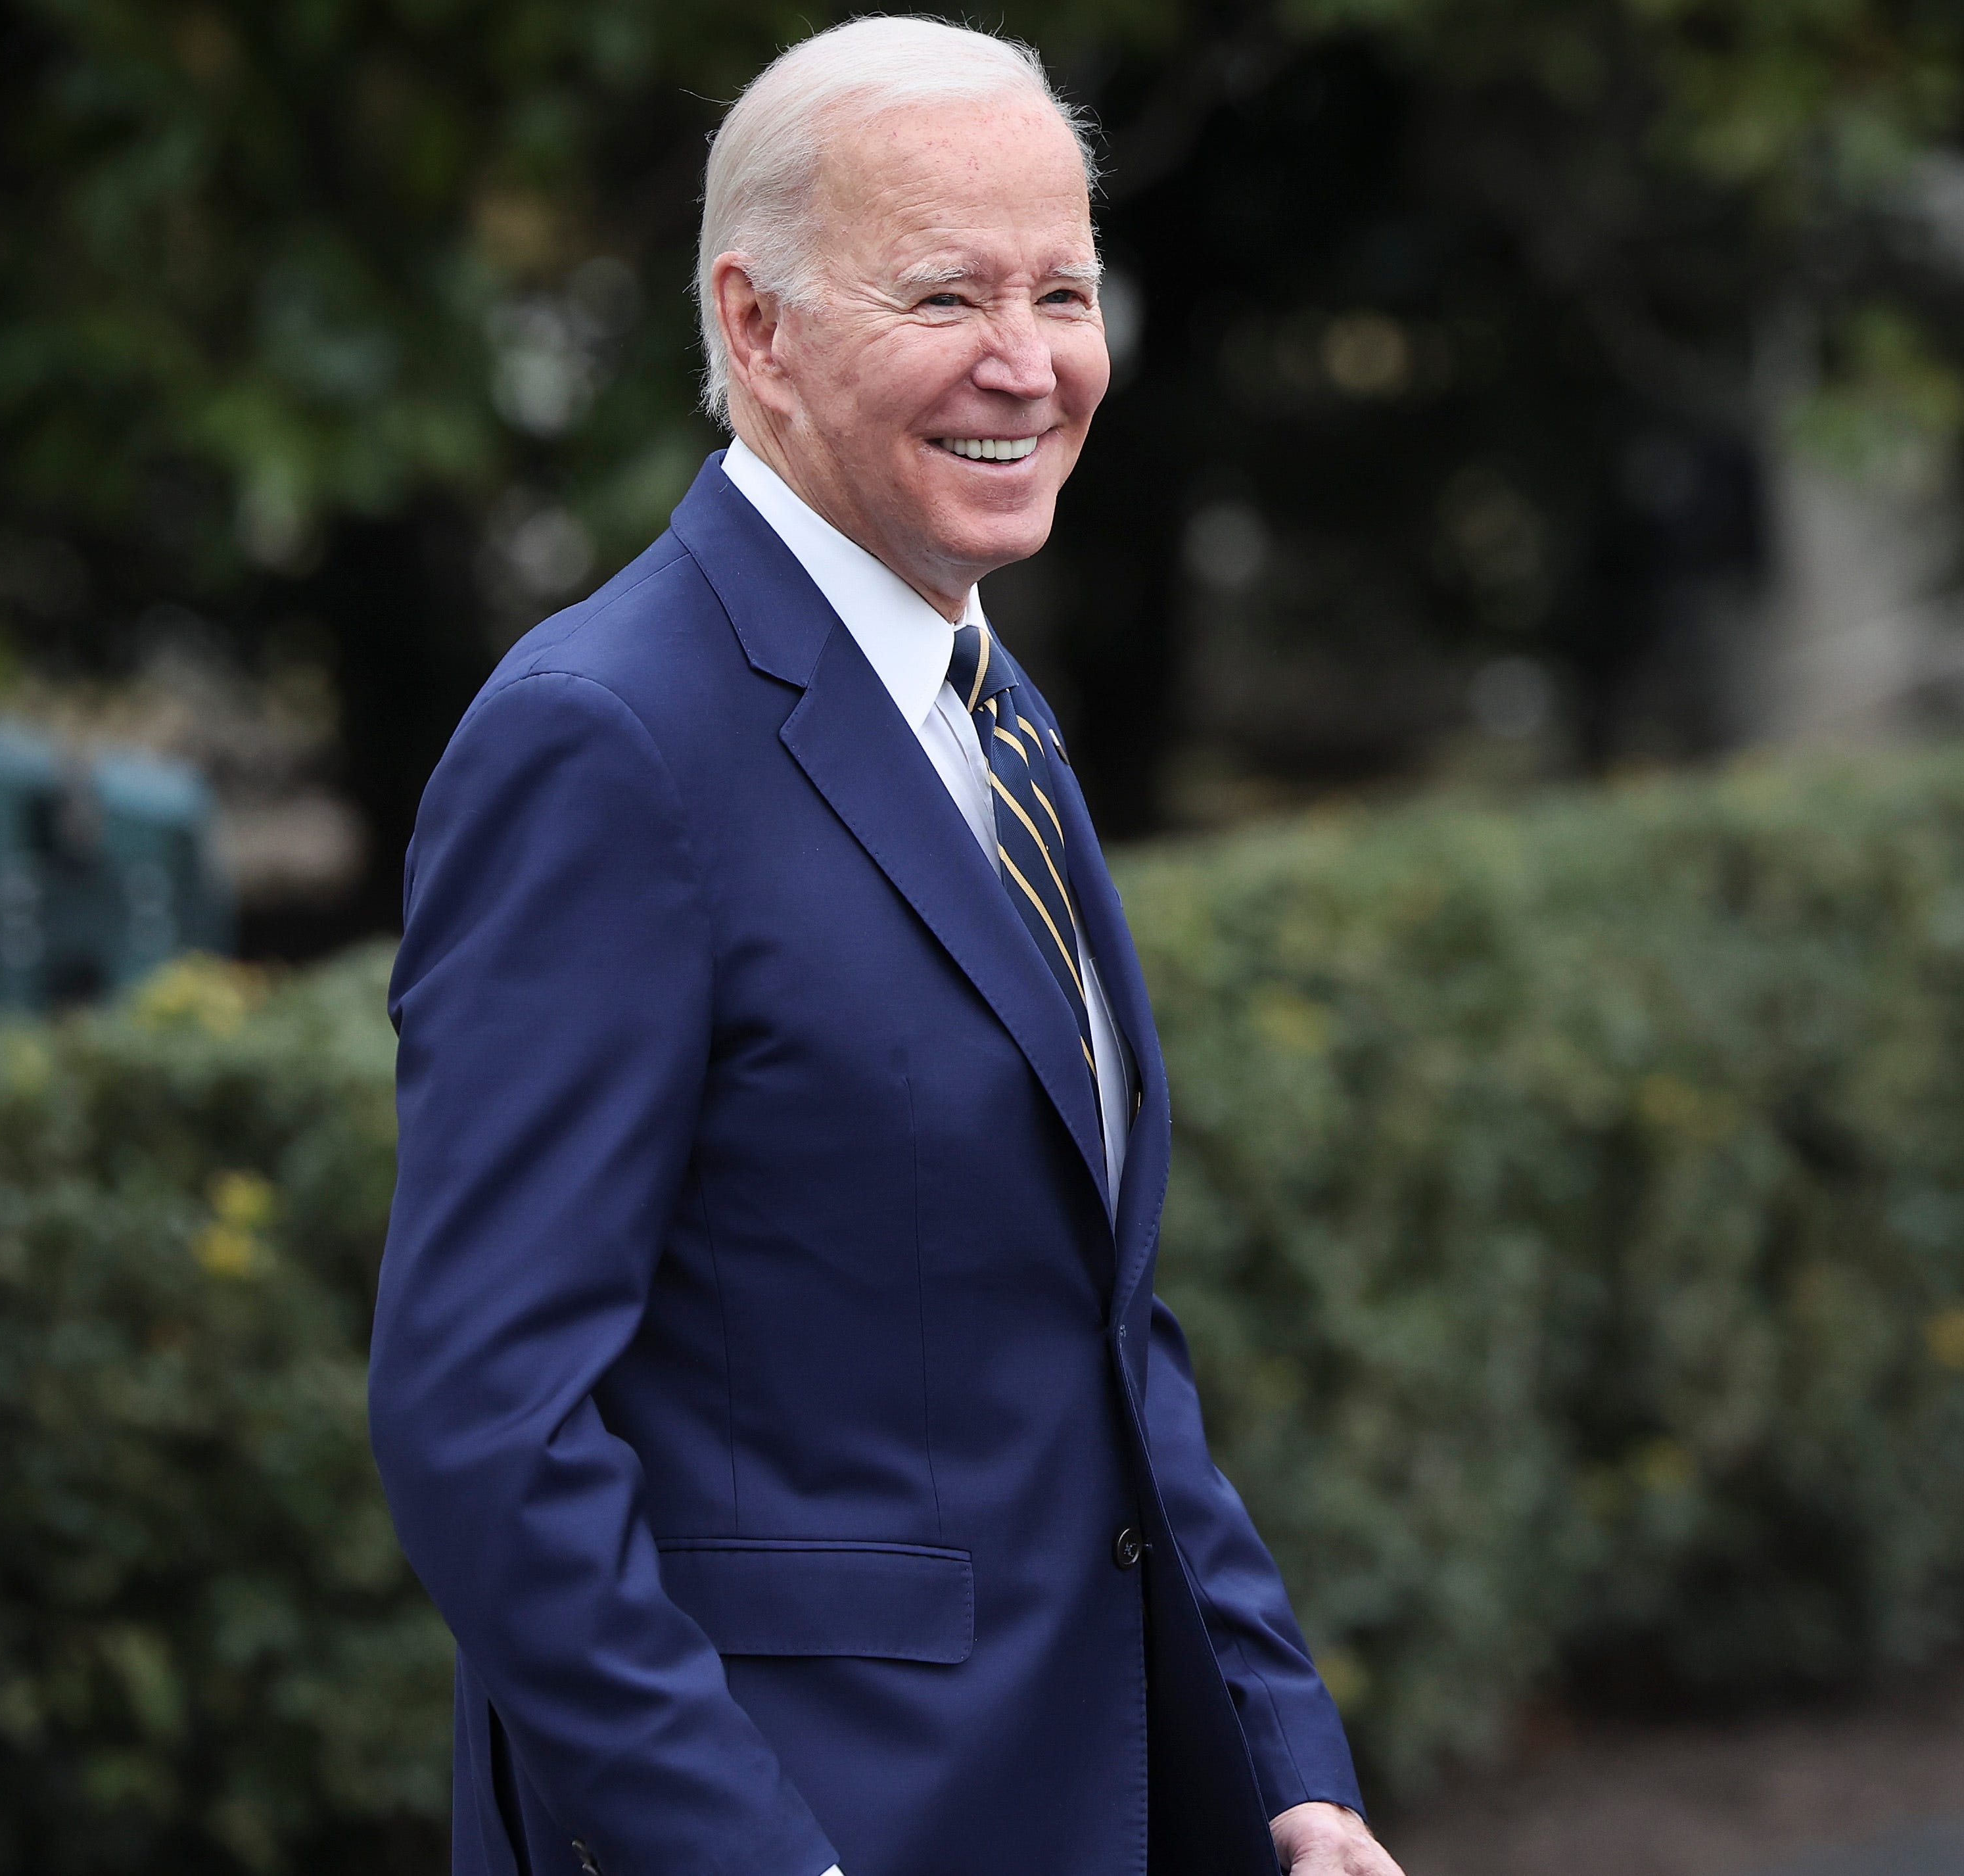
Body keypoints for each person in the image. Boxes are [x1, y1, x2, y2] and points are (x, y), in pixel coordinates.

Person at [367, 19, 1403, 1876]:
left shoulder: (988, 710)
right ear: (754, 329)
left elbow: (1100, 1334)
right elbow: (483, 1423)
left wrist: (1282, 1770)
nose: (1032, 362)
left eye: (1064, 289)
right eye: (945, 294)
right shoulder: (603, 741)